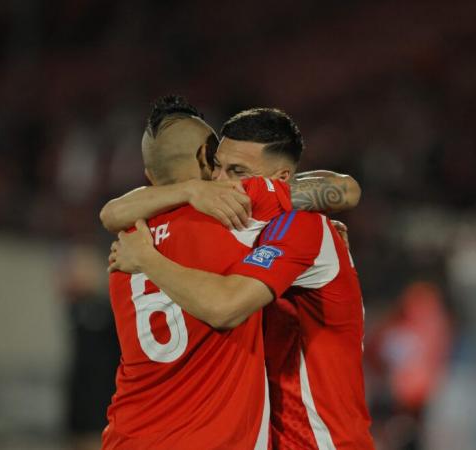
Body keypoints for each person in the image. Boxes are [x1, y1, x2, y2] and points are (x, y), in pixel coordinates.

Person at [111, 107, 374, 449]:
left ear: (281, 180)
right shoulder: (243, 230)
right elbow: (111, 211)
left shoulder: (302, 227)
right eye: (216, 166)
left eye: (237, 171)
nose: (218, 182)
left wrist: (146, 258)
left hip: (319, 442)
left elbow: (347, 190)